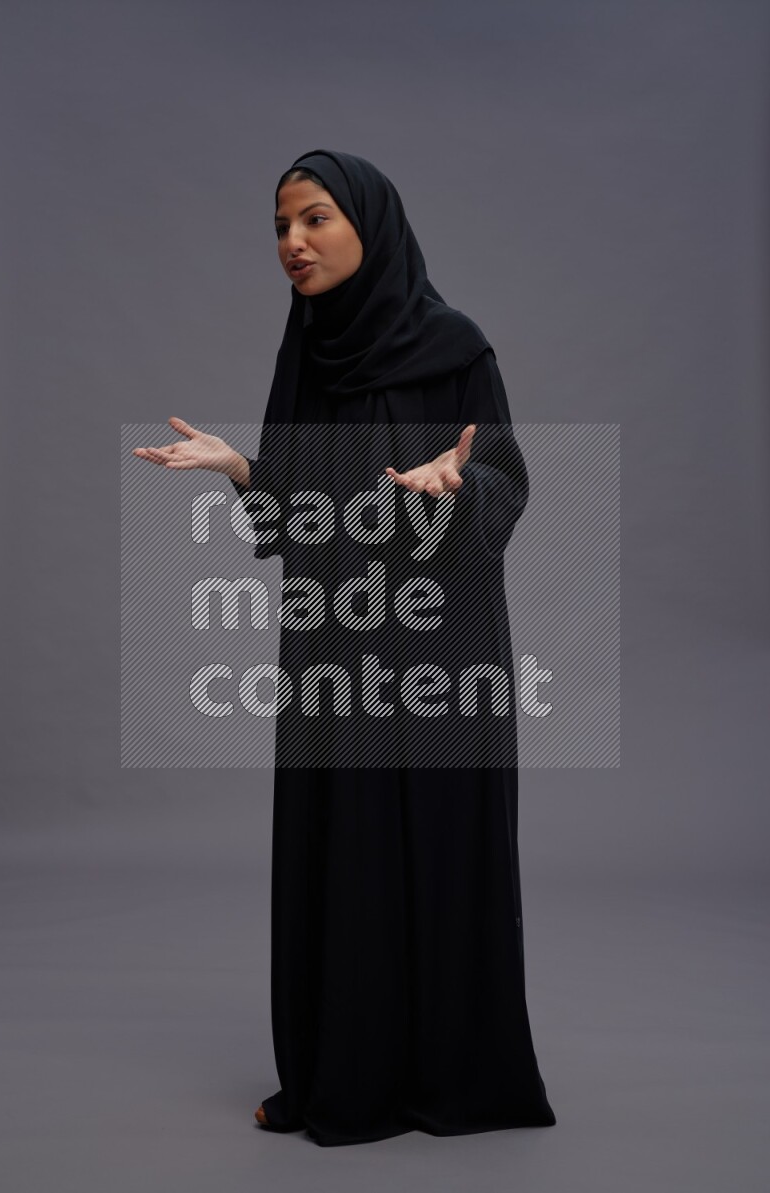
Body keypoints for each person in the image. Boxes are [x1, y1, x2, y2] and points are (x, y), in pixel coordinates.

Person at [133, 148, 556, 1146]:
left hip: (439, 648)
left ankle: (455, 1074)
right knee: (343, 849)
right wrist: (243, 467)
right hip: (332, 649)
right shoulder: (311, 351)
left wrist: (461, 489)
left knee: (438, 848)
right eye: (280, 227)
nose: (292, 244)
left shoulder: (455, 349)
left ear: (369, 224)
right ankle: (348, 1077)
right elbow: (298, 512)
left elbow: (506, 488)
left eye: (314, 219)